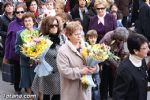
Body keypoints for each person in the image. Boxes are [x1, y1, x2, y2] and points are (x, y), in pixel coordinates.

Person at [56, 21, 99, 100]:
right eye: (76, 34)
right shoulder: (63, 50)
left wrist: (95, 68)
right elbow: (64, 71)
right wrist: (81, 71)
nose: (79, 36)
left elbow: (94, 61)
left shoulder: (86, 46)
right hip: (71, 90)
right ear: (68, 35)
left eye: (80, 33)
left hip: (86, 88)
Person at [32, 16, 65, 100]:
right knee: (45, 96)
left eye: (56, 25)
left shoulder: (62, 38)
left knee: (57, 96)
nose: (54, 27)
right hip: (46, 74)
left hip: (59, 74)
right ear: (46, 26)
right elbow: (35, 56)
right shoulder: (41, 40)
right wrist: (36, 59)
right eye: (51, 25)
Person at [113, 33, 149, 100]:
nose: (148, 50)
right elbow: (118, 96)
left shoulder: (142, 60)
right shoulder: (124, 70)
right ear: (135, 51)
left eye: (148, 46)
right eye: (144, 48)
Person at [3, 3, 26, 94]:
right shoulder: (11, 24)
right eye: (18, 12)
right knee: (17, 71)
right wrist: (6, 55)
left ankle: (27, 86)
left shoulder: (29, 21)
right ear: (15, 13)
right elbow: (8, 40)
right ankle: (18, 88)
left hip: (28, 53)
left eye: (22, 12)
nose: (20, 13)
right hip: (15, 53)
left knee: (26, 71)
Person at [99, 27, 129, 100]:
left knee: (113, 79)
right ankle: (104, 97)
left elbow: (121, 49)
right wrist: (117, 64)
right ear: (116, 37)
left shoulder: (121, 37)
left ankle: (112, 95)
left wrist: (125, 54)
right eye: (120, 40)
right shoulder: (107, 38)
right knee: (105, 82)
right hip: (104, 61)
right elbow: (105, 54)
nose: (121, 41)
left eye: (122, 40)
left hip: (114, 62)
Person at [15, 12, 39, 95]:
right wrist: (27, 54)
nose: (28, 23)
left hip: (37, 62)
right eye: (25, 21)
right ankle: (30, 97)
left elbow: (43, 45)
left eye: (29, 20)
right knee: (27, 82)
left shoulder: (38, 31)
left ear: (33, 21)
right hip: (25, 62)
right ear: (23, 23)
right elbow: (17, 49)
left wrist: (37, 55)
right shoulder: (19, 33)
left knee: (38, 82)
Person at [85, 29, 100, 100]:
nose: (93, 39)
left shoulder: (98, 47)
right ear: (88, 38)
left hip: (95, 71)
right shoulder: (86, 47)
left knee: (96, 89)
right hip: (87, 71)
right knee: (87, 89)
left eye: (94, 37)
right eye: (91, 38)